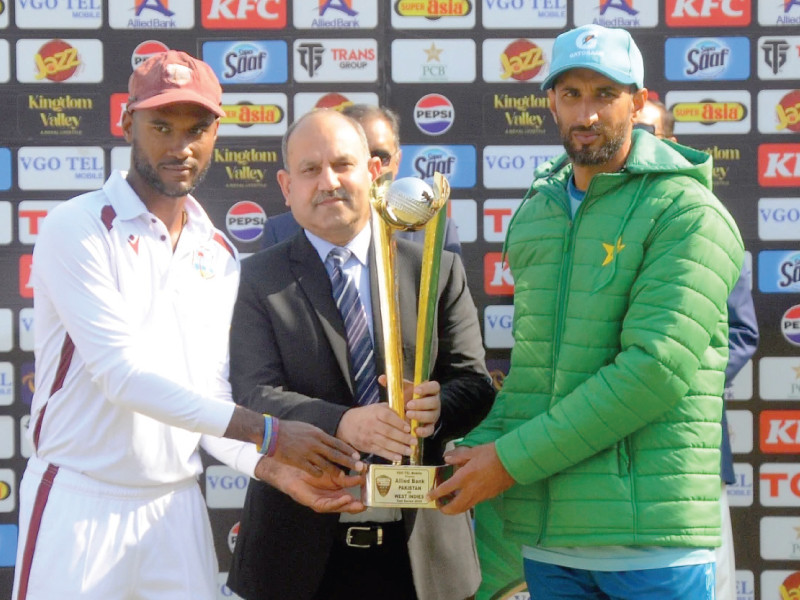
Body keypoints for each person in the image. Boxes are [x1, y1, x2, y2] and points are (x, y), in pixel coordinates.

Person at [12, 51, 365, 600]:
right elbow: (123, 378)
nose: (180, 146)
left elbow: (208, 398)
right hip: (79, 502)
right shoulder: (77, 227)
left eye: (197, 128)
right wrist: (271, 434)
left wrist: (272, 470)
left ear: (216, 132)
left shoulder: (217, 250)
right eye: (161, 126)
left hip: (177, 507)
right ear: (127, 123)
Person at [429, 24, 745, 600]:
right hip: (550, 540)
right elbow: (534, 380)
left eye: (605, 94)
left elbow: (653, 372)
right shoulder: (538, 212)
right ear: (550, 100)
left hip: (652, 546)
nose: (587, 113)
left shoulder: (688, 211)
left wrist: (506, 460)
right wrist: (448, 461)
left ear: (638, 101)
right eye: (571, 94)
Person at [226, 108, 495, 600]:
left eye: (342, 165)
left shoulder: (437, 268)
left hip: (422, 558)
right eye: (310, 170)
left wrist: (437, 409)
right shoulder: (256, 279)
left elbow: (475, 385)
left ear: (373, 173)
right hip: (296, 560)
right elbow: (252, 394)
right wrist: (343, 423)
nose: (328, 182)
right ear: (286, 187)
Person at [634, 97, 759, 600]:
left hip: (695, 445)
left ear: (670, 142)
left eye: (649, 132)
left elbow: (742, 333)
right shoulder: (588, 226)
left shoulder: (708, 219)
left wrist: (675, 384)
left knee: (712, 584)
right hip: (600, 461)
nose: (639, 143)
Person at [260, 103, 462, 255]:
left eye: (381, 157)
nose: (331, 181)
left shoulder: (435, 231)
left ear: (395, 162)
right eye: (351, 158)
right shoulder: (279, 232)